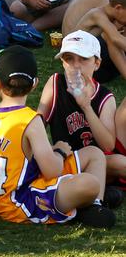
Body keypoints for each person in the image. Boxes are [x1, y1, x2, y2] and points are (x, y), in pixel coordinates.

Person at [0, 45, 115, 228]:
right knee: (90, 183)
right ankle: (89, 201)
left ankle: (94, 205)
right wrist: (60, 151)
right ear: (34, 84)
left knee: (94, 153)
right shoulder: (30, 120)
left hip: (6, 194)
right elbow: (52, 170)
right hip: (24, 202)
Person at [38, 31, 126, 194]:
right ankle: (98, 191)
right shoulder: (56, 83)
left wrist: (86, 106)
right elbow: (37, 124)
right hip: (63, 160)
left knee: (120, 163)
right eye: (69, 59)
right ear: (63, 62)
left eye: (83, 59)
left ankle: (94, 188)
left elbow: (108, 145)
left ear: (97, 63)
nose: (76, 65)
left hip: (97, 163)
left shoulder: (104, 96)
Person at [72, 0, 126, 82]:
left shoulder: (116, 18)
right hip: (81, 66)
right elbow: (115, 38)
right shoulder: (97, 14)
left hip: (101, 66)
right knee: (109, 36)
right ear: (118, 8)